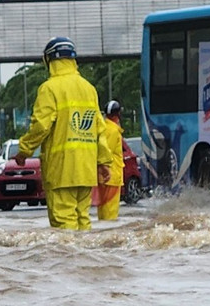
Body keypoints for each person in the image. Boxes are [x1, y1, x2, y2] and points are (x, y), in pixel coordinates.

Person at [15, 37, 119, 230]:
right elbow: (99, 130)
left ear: (48, 60)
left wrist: (24, 151)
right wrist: (104, 162)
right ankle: (85, 259)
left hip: (61, 168)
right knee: (82, 219)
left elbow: (41, 126)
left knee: (63, 223)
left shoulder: (49, 88)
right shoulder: (89, 88)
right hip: (86, 169)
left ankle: (70, 260)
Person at [94, 100, 127, 221]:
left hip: (103, 176)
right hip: (111, 176)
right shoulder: (113, 131)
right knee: (110, 214)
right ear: (117, 115)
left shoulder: (103, 127)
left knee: (102, 212)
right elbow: (107, 151)